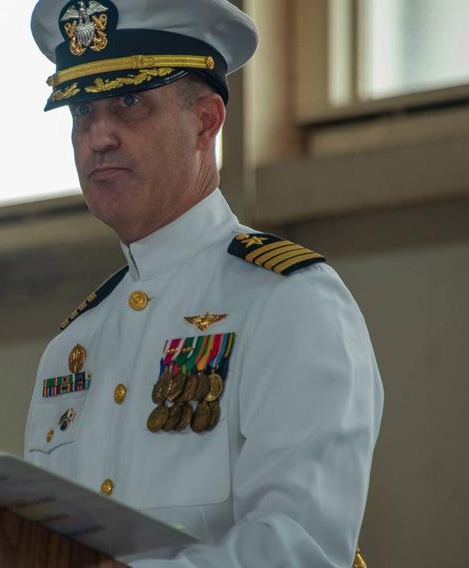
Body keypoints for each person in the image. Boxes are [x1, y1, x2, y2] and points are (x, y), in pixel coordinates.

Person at [23, 1, 383, 566]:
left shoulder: (288, 301)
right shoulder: (72, 348)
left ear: (206, 122)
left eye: (128, 102)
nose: (98, 137)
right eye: (81, 112)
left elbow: (299, 548)